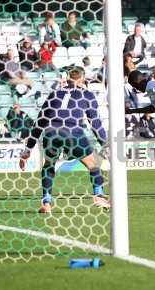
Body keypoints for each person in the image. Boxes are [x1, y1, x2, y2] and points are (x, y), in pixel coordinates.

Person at [19, 67, 110, 213]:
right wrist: (105, 144)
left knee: (49, 165)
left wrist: (28, 149)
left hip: (51, 131)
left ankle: (47, 202)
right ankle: (98, 195)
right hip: (73, 131)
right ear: (83, 79)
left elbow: (40, 122)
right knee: (93, 165)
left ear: (68, 78)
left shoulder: (55, 93)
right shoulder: (87, 94)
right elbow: (95, 123)